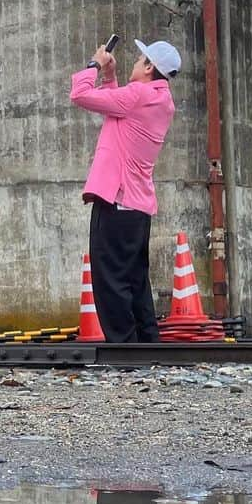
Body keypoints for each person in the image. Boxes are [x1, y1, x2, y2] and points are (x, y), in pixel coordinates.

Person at [69, 38, 181, 342]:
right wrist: (110, 77)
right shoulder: (161, 100)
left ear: (149, 67)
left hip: (116, 203)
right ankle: (147, 344)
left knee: (110, 281)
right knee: (135, 281)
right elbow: (118, 109)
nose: (134, 62)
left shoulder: (137, 95)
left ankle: (126, 348)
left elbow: (79, 95)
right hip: (138, 207)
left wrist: (95, 64)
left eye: (139, 58)